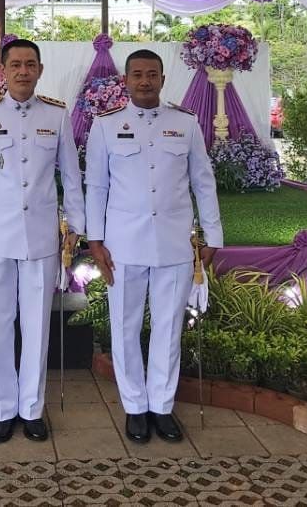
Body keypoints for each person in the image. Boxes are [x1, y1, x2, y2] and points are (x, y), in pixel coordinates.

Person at [85, 50, 222, 445]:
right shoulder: (106, 126)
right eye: (137, 75)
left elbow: (203, 181)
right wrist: (95, 239)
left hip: (174, 244)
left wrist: (213, 235)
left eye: (151, 74)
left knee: (168, 327)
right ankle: (134, 406)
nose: (144, 81)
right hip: (123, 246)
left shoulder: (185, 123)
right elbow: (96, 186)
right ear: (125, 80)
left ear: (162, 79)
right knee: (124, 327)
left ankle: (161, 406)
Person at [0, 39, 83, 444]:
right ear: (4, 70)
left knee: (36, 325)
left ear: (40, 70)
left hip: (41, 236)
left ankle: (31, 408)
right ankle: (2, 409)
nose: (23, 71)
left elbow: (71, 176)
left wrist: (75, 223)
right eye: (16, 65)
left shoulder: (56, 115)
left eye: (30, 64)